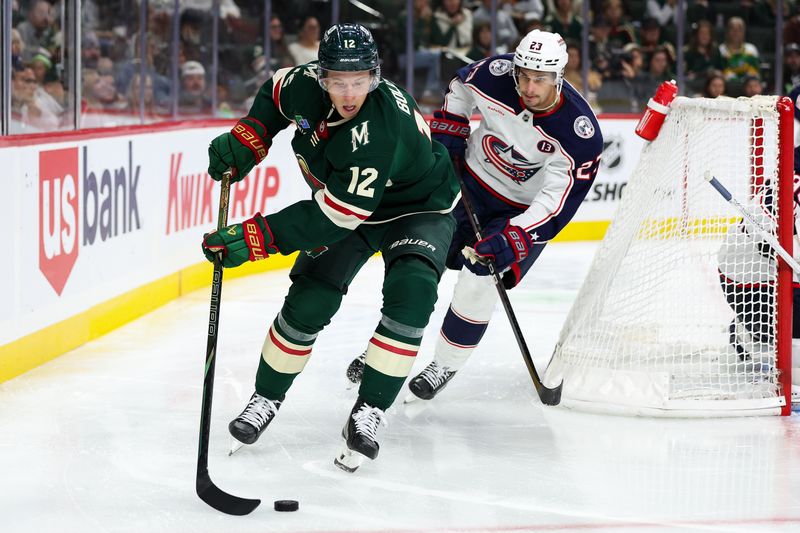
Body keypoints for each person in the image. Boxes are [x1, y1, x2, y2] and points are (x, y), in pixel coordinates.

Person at [200, 24, 459, 472]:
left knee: (412, 292)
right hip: (350, 205)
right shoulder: (302, 85)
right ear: (321, 76)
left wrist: (256, 237)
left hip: (418, 208)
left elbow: (336, 216)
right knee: (310, 297)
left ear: (375, 76)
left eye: (359, 80)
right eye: (338, 80)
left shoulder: (376, 129)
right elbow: (275, 92)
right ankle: (265, 398)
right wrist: (250, 137)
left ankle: (370, 409)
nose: (349, 92)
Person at [347, 30, 603, 401]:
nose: (529, 87)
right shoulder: (497, 73)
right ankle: (386, 348)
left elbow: (556, 203)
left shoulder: (580, 133)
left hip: (520, 211)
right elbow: (460, 85)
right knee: (418, 258)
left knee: (481, 274)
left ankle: (444, 364)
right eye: (524, 76)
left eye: (540, 79)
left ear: (559, 77)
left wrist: (514, 235)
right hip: (468, 183)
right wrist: (453, 125)